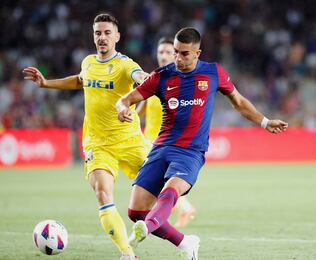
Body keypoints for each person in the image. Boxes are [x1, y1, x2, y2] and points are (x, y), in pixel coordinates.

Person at [116, 27, 288, 259]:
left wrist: (265, 122)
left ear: (198, 53)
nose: (178, 58)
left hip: (190, 152)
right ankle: (186, 242)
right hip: (161, 148)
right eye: (176, 52)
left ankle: (147, 227)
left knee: (171, 191)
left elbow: (238, 102)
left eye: (184, 53)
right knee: (136, 211)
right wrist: (122, 109)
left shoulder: (213, 72)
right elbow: (126, 99)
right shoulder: (162, 75)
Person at [23, 13, 150, 260]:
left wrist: (145, 80)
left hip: (130, 142)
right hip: (97, 144)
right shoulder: (88, 62)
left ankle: (170, 231)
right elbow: (81, 81)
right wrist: (46, 83)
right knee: (103, 193)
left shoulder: (126, 65)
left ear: (117, 36)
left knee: (154, 193)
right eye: (97, 33)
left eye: (106, 33)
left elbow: (140, 78)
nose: (102, 37)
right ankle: (127, 254)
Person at [139, 37, 197, 229]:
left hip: (168, 144)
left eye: (167, 52)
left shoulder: (181, 82)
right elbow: (139, 111)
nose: (163, 56)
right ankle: (179, 208)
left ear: (175, 55)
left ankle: (181, 207)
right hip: (149, 142)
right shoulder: (153, 80)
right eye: (160, 52)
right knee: (156, 184)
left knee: (157, 184)